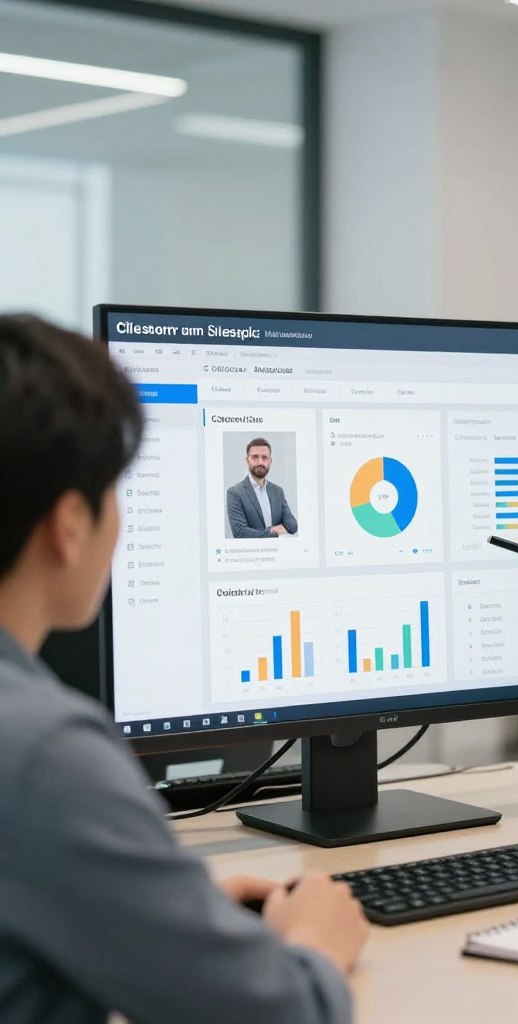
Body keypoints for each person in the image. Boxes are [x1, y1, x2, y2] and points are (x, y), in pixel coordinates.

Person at [0, 315, 366, 1023]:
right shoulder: (42, 754)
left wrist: (161, 920)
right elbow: (282, 1016)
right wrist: (317, 942)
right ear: (69, 526)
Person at [226, 437, 299, 539]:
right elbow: (240, 532)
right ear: (247, 460)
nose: (260, 462)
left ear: (270, 461)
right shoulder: (235, 493)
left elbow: (292, 525)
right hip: (251, 550)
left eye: (264, 457)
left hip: (278, 549)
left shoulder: (278, 491)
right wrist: (272, 531)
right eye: (255, 457)